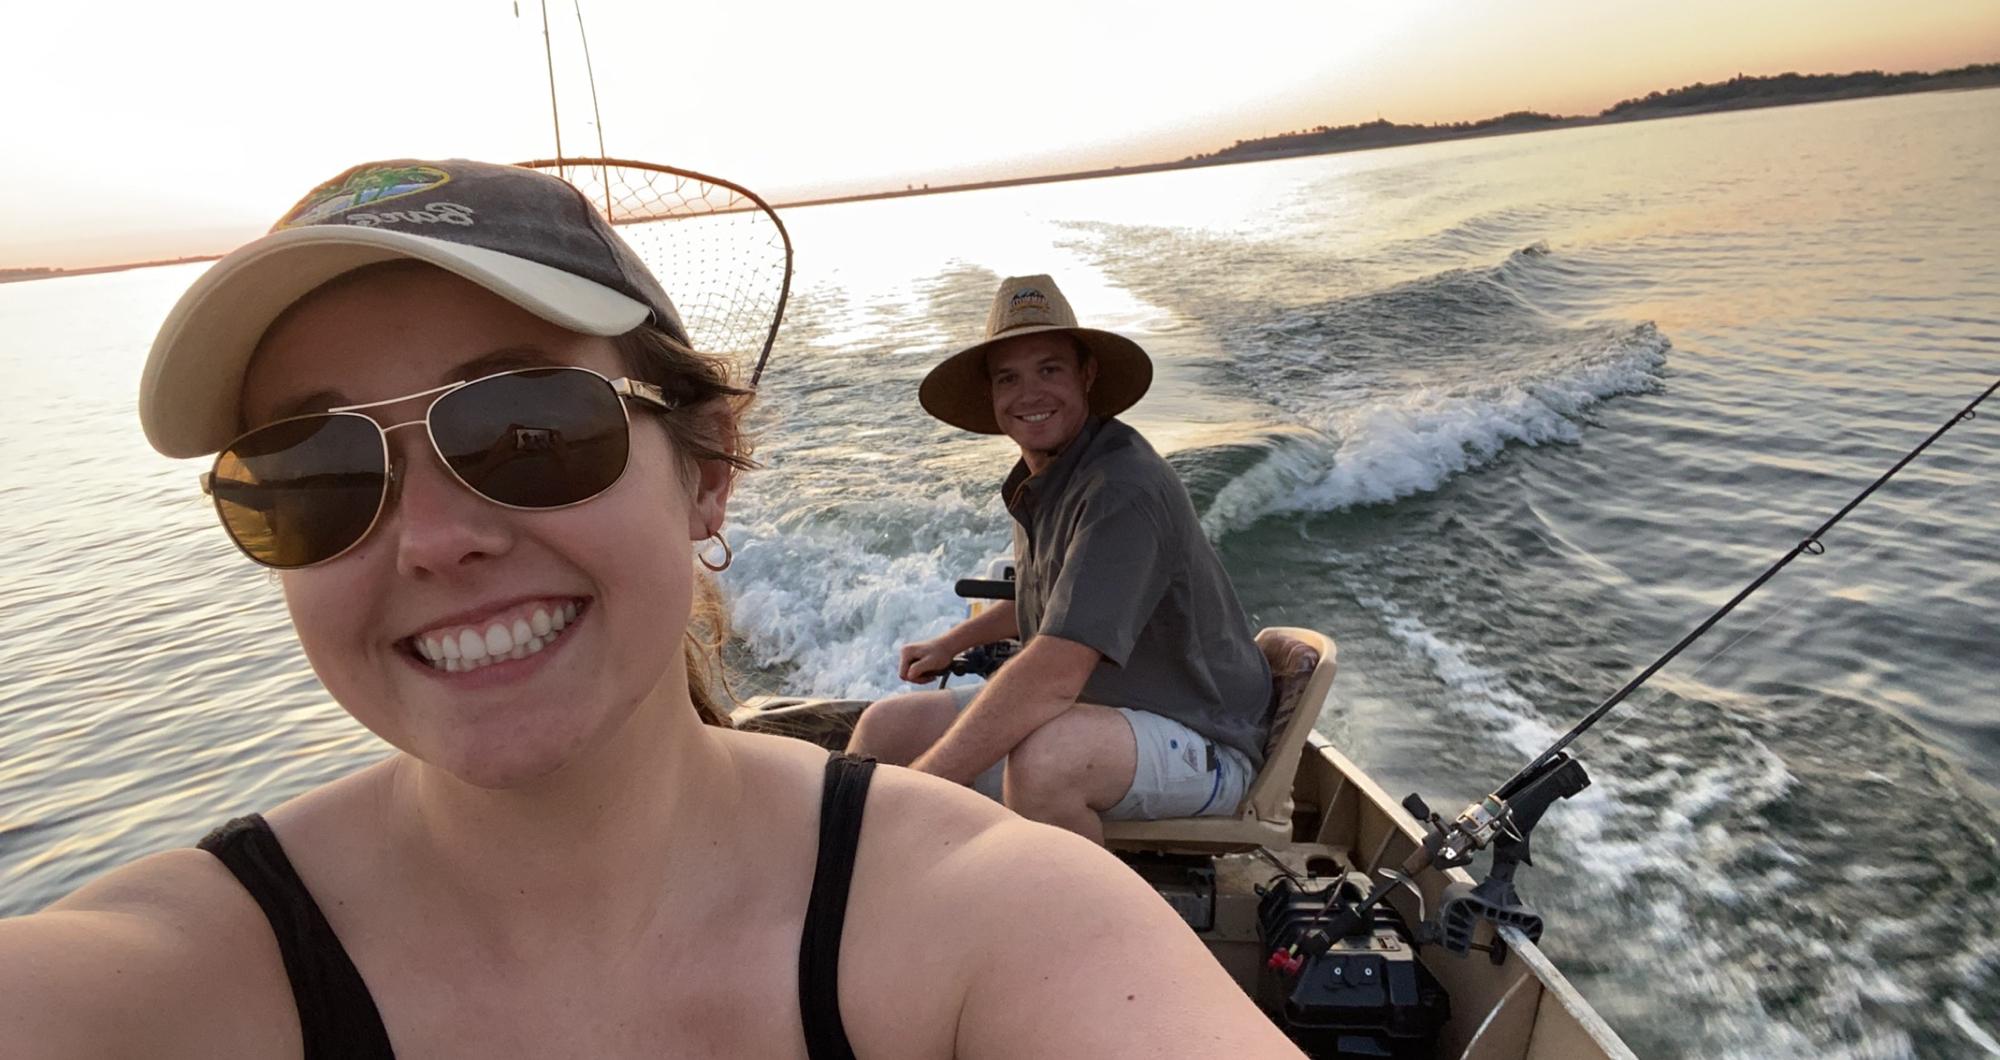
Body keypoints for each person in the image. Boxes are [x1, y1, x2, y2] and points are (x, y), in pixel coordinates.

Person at [0, 161, 1302, 1057]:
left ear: (707, 468)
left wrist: (945, 827)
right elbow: (1032, 607)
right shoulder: (158, 977)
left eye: (528, 427)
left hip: (1177, 729)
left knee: (1034, 754)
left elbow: (1064, 661)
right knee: (904, 726)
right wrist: (956, 656)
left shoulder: (1016, 920)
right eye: (311, 469)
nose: (438, 539)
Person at [848, 276, 1273, 844]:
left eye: (1050, 369)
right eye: (1009, 378)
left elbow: (1054, 670)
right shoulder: (1049, 477)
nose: (1030, 394)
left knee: (1047, 762)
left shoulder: (1121, 488)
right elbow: (1052, 597)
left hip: (1204, 735)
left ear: (1086, 375)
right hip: (1107, 707)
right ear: (992, 396)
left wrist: (920, 790)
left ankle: (1075, 927)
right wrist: (953, 643)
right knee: (886, 729)